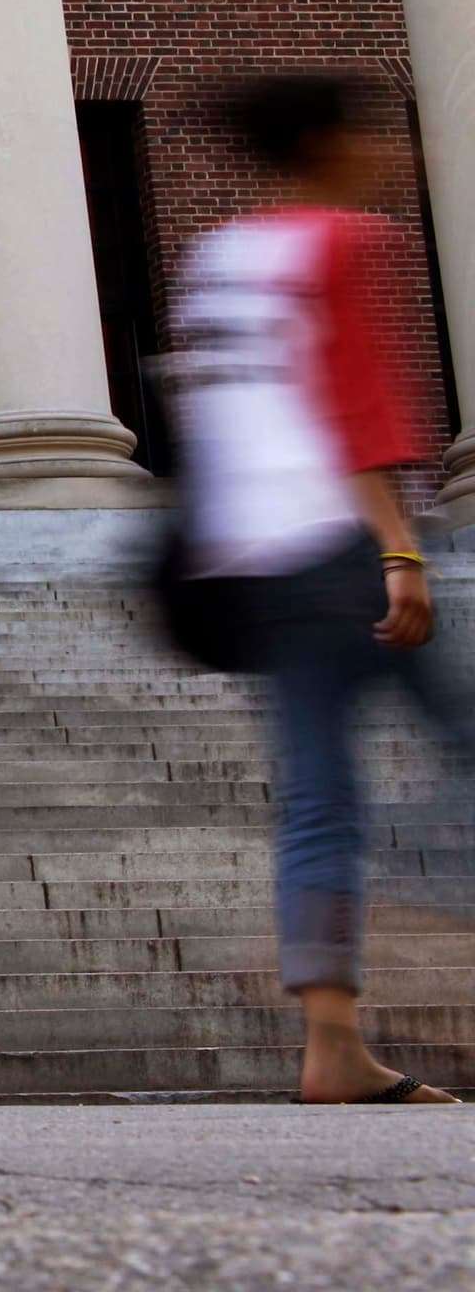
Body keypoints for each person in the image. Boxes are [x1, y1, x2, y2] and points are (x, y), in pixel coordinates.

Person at [169, 74, 475, 1105]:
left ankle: (331, 1041)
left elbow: (214, 416)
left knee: (319, 801)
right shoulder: (344, 241)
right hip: (345, 546)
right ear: (328, 144)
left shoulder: (220, 258)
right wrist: (402, 551)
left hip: (258, 560)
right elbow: (358, 406)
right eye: (371, 133)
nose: (389, 151)